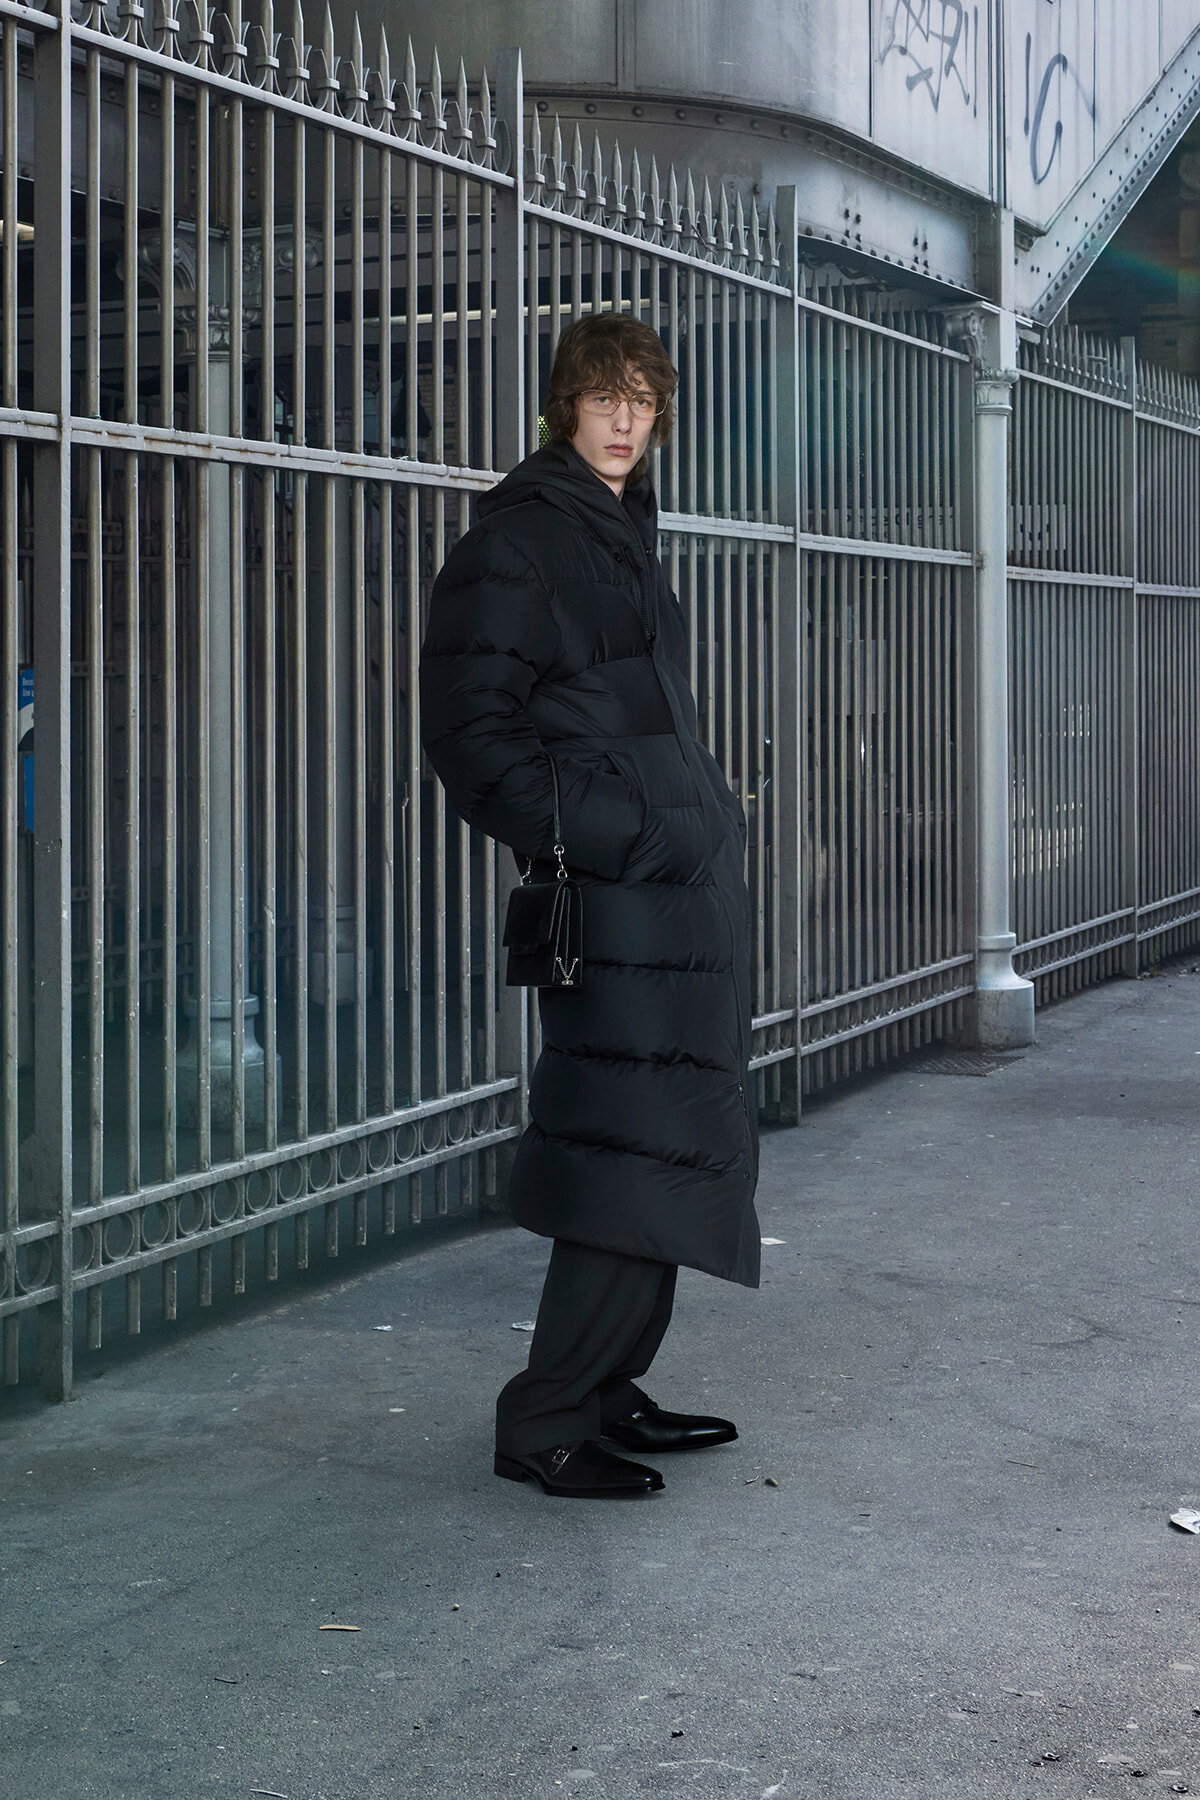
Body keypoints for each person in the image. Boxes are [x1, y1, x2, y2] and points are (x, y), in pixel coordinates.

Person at [419, 312, 760, 1499]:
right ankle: (547, 1419)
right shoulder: (521, 539)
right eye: (604, 395)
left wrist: (701, 819)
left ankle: (608, 1389)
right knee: (625, 1153)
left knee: (654, 1144)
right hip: (625, 898)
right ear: (567, 403)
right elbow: (473, 742)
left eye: (645, 399)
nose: (625, 419)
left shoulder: (616, 528)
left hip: (671, 901)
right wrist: (639, 832)